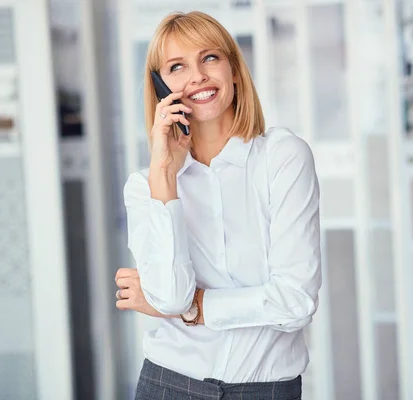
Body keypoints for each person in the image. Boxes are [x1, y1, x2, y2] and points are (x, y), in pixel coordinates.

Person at [114, 11, 322, 400]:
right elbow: (172, 297)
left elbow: (296, 301)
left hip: (266, 390)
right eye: (177, 67)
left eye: (210, 58)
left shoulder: (282, 157)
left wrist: (195, 307)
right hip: (167, 385)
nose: (197, 77)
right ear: (161, 88)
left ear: (234, 72)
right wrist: (164, 172)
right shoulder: (146, 186)